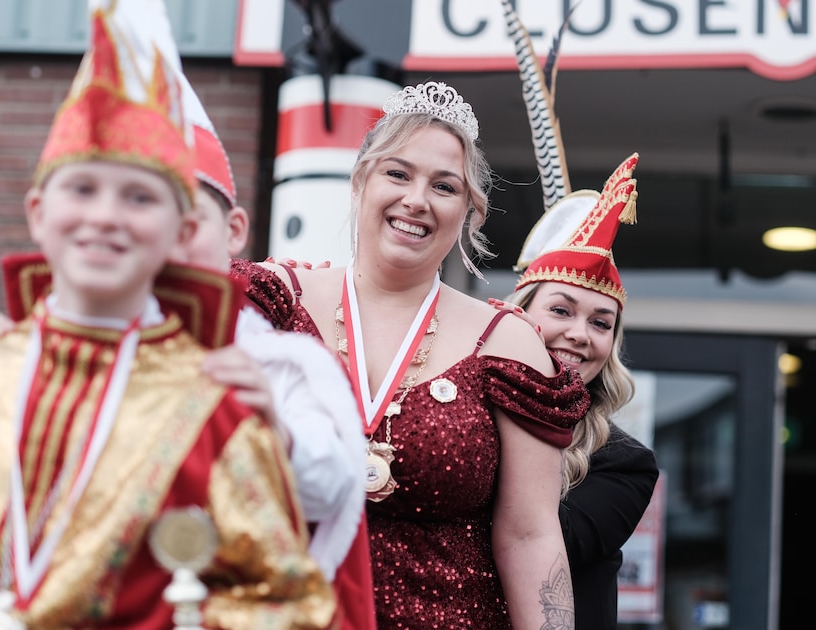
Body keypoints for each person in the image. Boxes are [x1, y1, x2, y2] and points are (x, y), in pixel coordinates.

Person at [0, 1, 333, 627]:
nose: (105, 216)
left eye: (139, 197)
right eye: (82, 188)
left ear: (180, 231)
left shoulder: (213, 406)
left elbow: (293, 603)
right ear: (38, 212)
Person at [231, 81, 590, 628]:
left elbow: (529, 535)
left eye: (444, 186)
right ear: (360, 181)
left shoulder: (507, 344)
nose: (416, 200)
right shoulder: (272, 303)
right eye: (397, 174)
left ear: (469, 211)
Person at [498, 5, 659, 627]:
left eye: (600, 322)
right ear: (520, 314)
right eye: (561, 309)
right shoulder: (459, 405)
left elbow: (537, 544)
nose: (578, 334)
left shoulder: (624, 462)